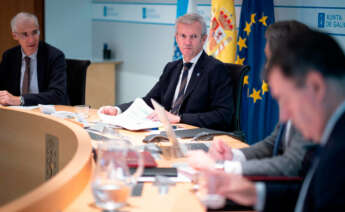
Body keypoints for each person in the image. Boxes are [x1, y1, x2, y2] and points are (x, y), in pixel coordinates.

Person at [203, 28, 345, 211]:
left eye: (284, 99)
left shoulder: (338, 155)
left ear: (316, 87)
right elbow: (309, 194)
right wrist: (254, 193)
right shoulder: (330, 137)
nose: (284, 116)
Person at [188, 21, 313, 177]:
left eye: (269, 59)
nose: (266, 67)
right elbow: (272, 143)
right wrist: (233, 156)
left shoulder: (311, 105)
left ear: (289, 59)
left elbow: (291, 165)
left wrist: (222, 169)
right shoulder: (295, 97)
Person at [100, 13, 234, 131]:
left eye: (193, 36)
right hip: (167, 131)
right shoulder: (171, 68)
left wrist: (179, 118)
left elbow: (223, 115)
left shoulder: (215, 69)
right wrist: (117, 110)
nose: (187, 42)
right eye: (183, 36)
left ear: (203, 39)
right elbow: (149, 101)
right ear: (177, 38)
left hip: (197, 135)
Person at [0, 12, 68, 106]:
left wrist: (21, 100)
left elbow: (57, 94)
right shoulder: (9, 56)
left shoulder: (55, 56)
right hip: (17, 114)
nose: (31, 40)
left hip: (47, 113)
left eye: (34, 32)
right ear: (14, 36)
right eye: (25, 34)